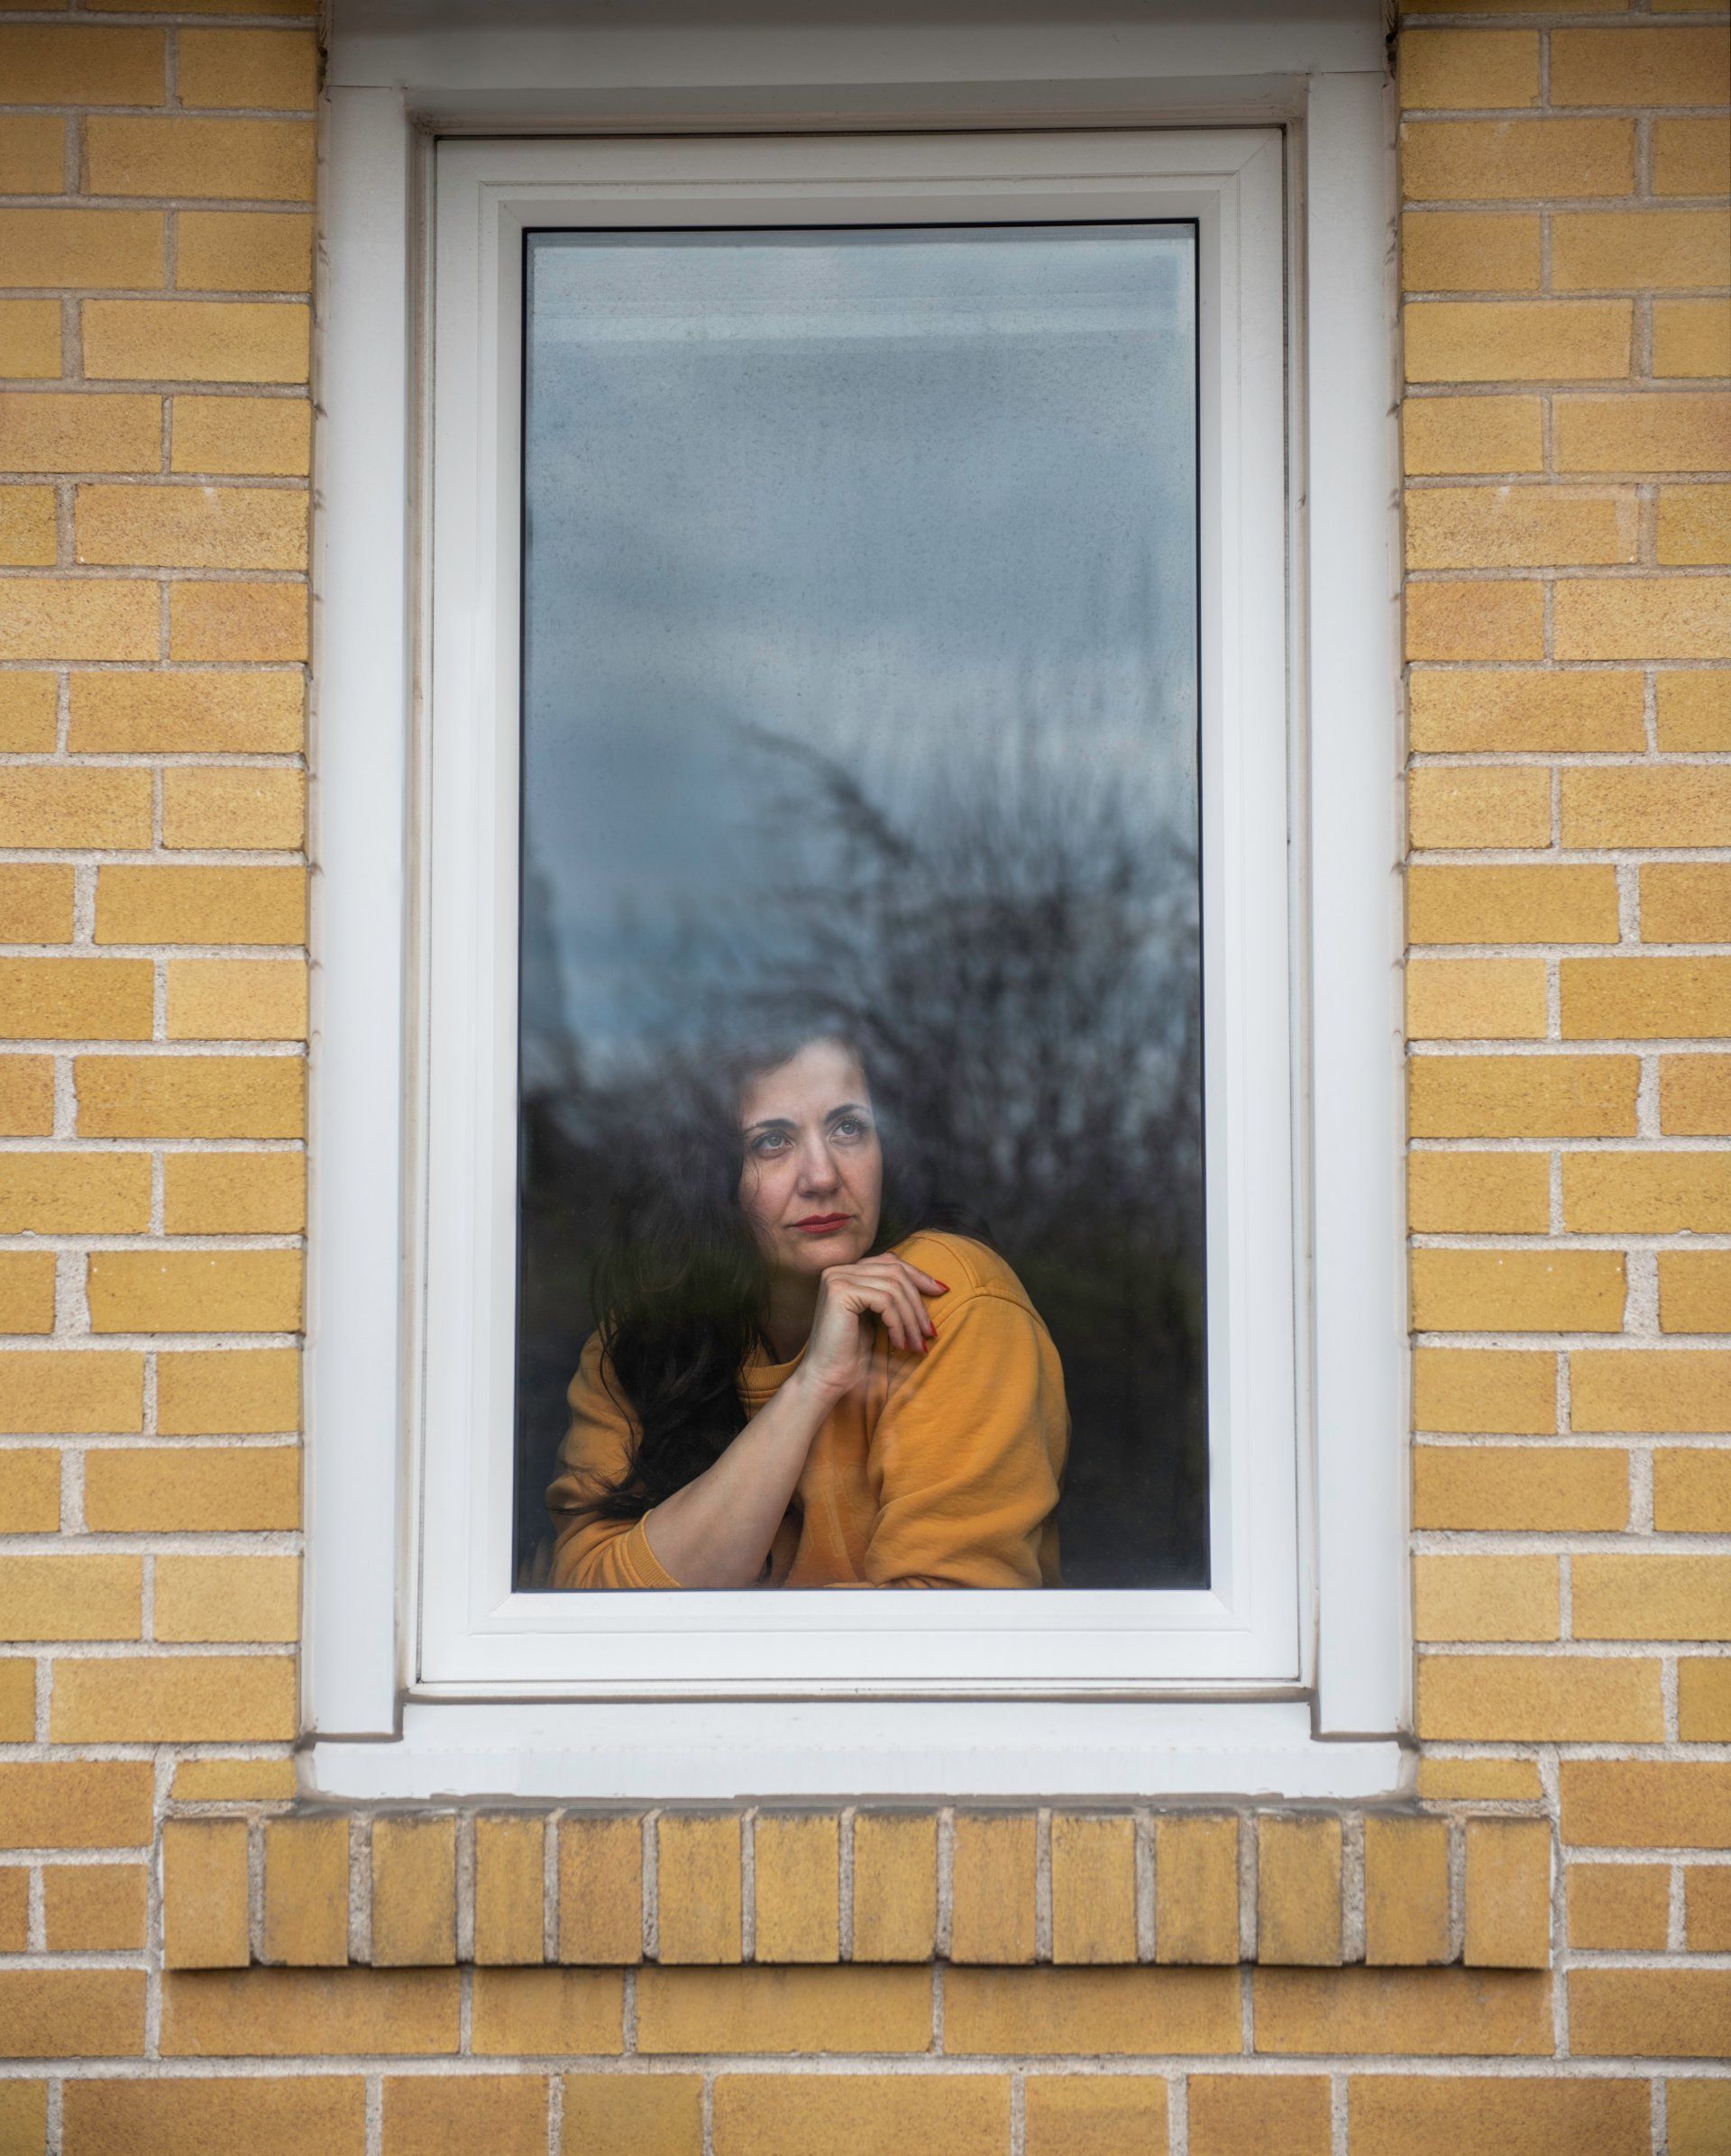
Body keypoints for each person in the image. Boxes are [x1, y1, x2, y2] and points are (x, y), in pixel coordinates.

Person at [545, 1025, 1067, 1588]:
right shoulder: (646, 1337)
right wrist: (810, 1387)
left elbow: (946, 1638)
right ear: (707, 1178)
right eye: (771, 1141)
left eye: (849, 1128)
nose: (822, 1177)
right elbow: (587, 1602)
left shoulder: (943, 1299)